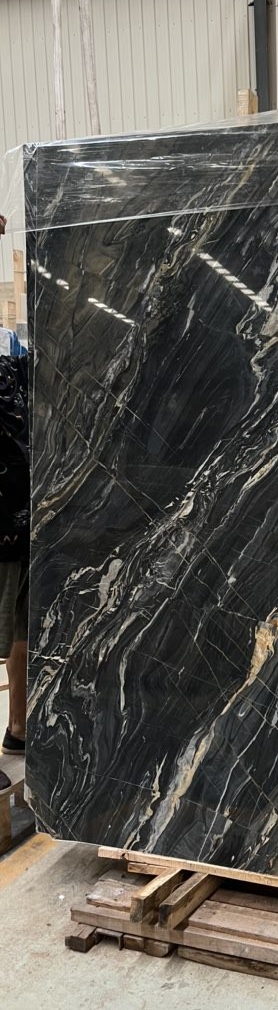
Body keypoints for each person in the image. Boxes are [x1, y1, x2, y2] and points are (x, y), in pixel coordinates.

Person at [0, 212, 28, 793]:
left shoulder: (11, 348)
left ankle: (21, 726)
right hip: (10, 512)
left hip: (21, 512)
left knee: (23, 620)